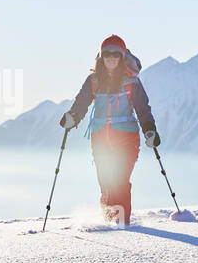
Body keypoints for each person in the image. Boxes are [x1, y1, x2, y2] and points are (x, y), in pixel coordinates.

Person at [59, 34, 160, 225]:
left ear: (122, 57)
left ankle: (121, 224)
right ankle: (109, 221)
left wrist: (149, 130)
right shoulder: (93, 81)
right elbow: (82, 102)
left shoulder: (132, 82)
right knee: (105, 182)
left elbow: (142, 108)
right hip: (100, 138)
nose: (111, 58)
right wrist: (72, 117)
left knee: (120, 180)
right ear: (101, 57)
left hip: (127, 137)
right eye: (107, 54)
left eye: (116, 54)